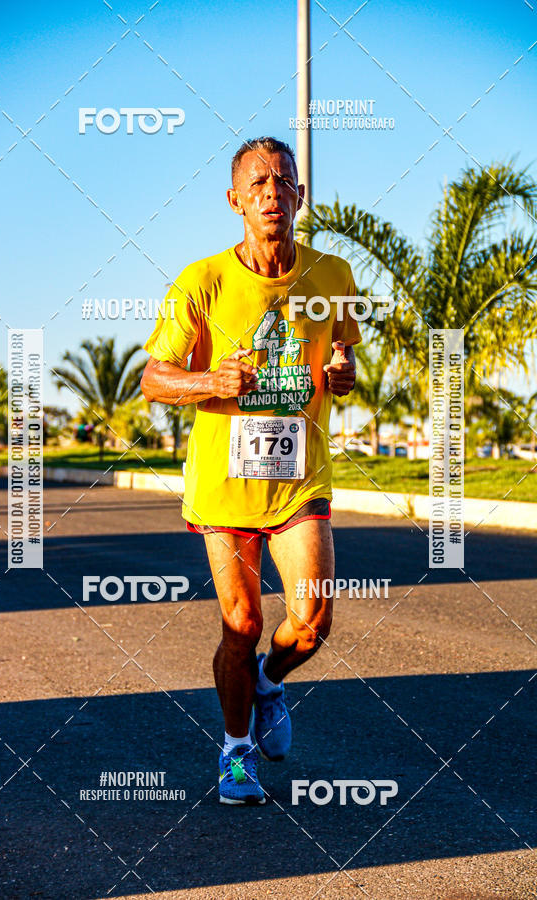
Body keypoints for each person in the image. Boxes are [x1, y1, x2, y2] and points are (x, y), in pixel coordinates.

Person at [141, 136, 360, 805]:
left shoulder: (332, 276)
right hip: (226, 486)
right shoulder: (201, 281)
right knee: (240, 620)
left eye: (283, 180)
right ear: (235, 200)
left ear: (299, 196)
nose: (272, 191)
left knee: (314, 618)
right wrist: (210, 377)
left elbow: (345, 363)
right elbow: (153, 378)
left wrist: (344, 373)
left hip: (299, 480)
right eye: (258, 182)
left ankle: (268, 681)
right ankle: (236, 752)